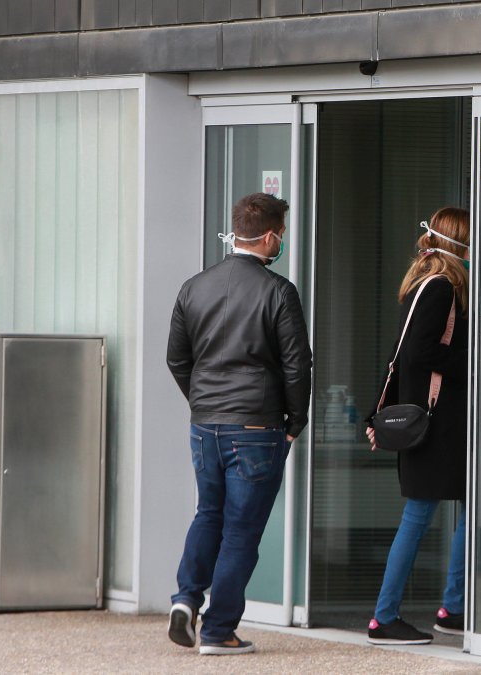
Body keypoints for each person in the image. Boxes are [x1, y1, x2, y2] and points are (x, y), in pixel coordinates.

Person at [165, 192, 312, 656]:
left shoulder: (194, 286)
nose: (281, 241)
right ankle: (218, 631)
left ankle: (187, 599)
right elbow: (297, 365)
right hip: (257, 427)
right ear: (269, 236)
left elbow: (176, 358)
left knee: (208, 513)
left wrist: (203, 400)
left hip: (205, 424)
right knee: (241, 530)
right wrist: (295, 420)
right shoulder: (278, 291)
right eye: (281, 234)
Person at [365, 207, 471, 645]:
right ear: (456, 243)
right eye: (469, 240)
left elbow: (403, 351)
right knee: (420, 515)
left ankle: (454, 607)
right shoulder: (442, 287)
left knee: (470, 506)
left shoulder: (425, 283)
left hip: (435, 424)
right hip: (435, 425)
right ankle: (384, 617)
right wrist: (468, 363)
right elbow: (416, 353)